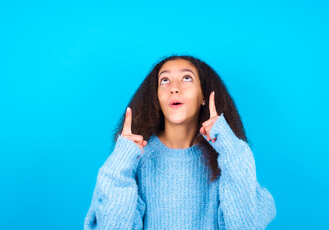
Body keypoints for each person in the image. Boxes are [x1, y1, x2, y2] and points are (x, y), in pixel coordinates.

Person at [83, 55, 277, 229]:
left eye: (186, 78)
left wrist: (230, 146)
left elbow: (246, 225)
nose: (174, 88)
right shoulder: (136, 160)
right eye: (165, 80)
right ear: (156, 98)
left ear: (203, 96)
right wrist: (120, 163)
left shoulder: (225, 160)